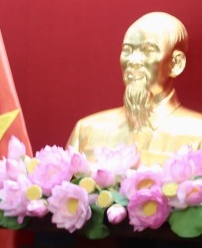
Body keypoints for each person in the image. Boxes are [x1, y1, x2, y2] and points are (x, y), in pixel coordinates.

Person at [67, 11, 202, 165]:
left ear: (176, 63)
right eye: (127, 50)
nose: (133, 60)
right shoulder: (87, 131)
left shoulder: (198, 133)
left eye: (148, 50)